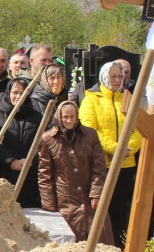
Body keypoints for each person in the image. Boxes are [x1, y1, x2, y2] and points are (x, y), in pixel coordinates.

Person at [79, 61, 141, 248]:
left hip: (125, 164)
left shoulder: (129, 99)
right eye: (113, 76)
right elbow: (90, 130)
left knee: (120, 211)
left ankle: (120, 249)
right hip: (101, 165)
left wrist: (128, 149)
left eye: (120, 77)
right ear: (104, 77)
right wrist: (116, 148)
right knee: (100, 211)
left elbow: (138, 129)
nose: (117, 80)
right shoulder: (92, 99)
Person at [38, 100, 114, 244]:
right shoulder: (48, 140)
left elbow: (99, 168)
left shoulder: (90, 136)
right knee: (71, 245)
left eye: (72, 117)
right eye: (66, 117)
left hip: (89, 199)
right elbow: (44, 176)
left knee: (99, 240)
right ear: (59, 117)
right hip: (65, 201)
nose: (69, 120)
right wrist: (49, 205)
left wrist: (96, 193)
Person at [0, 77, 43, 208]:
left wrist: (31, 159)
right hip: (3, 176)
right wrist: (11, 161)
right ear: (8, 92)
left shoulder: (37, 117)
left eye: (22, 93)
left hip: (30, 178)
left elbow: (43, 143)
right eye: (15, 92)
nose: (18, 96)